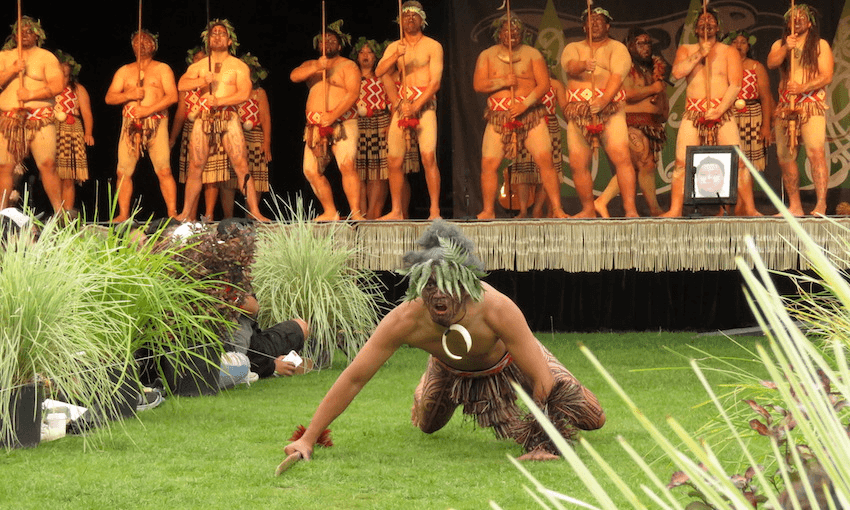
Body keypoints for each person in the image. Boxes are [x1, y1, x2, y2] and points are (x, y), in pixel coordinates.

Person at [283, 220, 605, 462]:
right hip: (450, 371)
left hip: (511, 363)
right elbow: (354, 377)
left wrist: (543, 443)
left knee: (593, 418)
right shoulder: (405, 320)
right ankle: (426, 384)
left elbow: (541, 378)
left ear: (466, 284)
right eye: (429, 285)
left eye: (447, 285)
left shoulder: (495, 308)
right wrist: (308, 438)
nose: (438, 294)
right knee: (428, 426)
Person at [663, 9, 757, 217]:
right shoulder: (686, 49)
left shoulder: (728, 51)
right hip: (694, 112)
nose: (706, 23)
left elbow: (735, 85)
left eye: (711, 20)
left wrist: (720, 109)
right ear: (696, 29)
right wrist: (700, 53)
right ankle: (675, 210)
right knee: (681, 161)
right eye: (702, 20)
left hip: (721, 111)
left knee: (738, 161)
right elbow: (677, 73)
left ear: (718, 27)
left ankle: (750, 208)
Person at [474, 15, 568, 220]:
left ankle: (557, 208)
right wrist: (502, 81)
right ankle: (488, 210)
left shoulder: (532, 54)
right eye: (507, 31)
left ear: (523, 34)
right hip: (499, 116)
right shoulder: (487, 55)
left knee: (545, 161)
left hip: (530, 114)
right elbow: (479, 85)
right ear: (499, 33)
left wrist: (524, 104)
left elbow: (544, 85)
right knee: (489, 164)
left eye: (516, 31)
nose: (512, 34)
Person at [175, 19, 269, 223]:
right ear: (208, 40)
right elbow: (182, 84)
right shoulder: (200, 66)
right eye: (213, 33)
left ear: (229, 41)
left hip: (229, 116)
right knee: (195, 166)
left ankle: (255, 212)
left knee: (241, 165)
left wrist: (218, 100)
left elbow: (244, 93)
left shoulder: (238, 66)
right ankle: (185, 213)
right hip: (204, 118)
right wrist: (202, 81)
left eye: (222, 33)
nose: (217, 36)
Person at [561, 7, 639, 218]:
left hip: (610, 109)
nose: (594, 24)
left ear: (608, 26)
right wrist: (583, 65)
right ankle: (588, 209)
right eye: (590, 20)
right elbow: (569, 67)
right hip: (579, 111)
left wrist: (604, 100)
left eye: (599, 20)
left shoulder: (617, 48)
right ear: (584, 26)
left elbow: (618, 75)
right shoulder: (573, 47)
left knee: (622, 157)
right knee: (578, 163)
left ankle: (630, 209)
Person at [375, 1, 443, 220]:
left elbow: (435, 83)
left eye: (415, 15)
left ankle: (434, 210)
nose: (410, 19)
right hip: (402, 106)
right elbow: (379, 71)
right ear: (400, 21)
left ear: (422, 20)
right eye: (406, 16)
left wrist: (416, 105)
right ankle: (396, 210)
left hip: (424, 106)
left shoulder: (433, 46)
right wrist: (396, 56)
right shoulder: (395, 46)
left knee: (428, 157)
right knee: (394, 161)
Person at [290, 20, 364, 221]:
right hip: (315, 126)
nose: (327, 43)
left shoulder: (348, 65)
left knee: (346, 165)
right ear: (318, 46)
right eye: (323, 40)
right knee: (310, 170)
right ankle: (330, 211)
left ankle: (356, 213)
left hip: (342, 122)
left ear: (340, 46)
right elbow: (294, 76)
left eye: (332, 40)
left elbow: (353, 94)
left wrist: (333, 115)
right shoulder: (311, 65)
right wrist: (317, 66)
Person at [104, 29, 179, 222]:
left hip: (156, 121)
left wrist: (148, 109)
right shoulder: (125, 70)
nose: (141, 43)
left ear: (154, 45)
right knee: (122, 171)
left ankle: (172, 213)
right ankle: (123, 214)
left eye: (145, 40)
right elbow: (110, 97)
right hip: (131, 123)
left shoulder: (163, 68)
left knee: (164, 169)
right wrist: (128, 95)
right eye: (137, 40)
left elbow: (172, 96)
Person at [767, 4, 834, 216]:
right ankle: (795, 206)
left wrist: (803, 87)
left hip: (810, 104)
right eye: (793, 18)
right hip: (786, 106)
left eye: (802, 17)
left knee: (816, 152)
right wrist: (787, 47)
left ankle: (821, 204)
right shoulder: (780, 44)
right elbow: (771, 63)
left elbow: (827, 76)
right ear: (787, 23)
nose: (797, 20)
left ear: (810, 22)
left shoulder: (820, 45)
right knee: (784, 156)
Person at [594, 27, 668, 218]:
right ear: (630, 45)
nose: (646, 47)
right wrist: (653, 88)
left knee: (646, 165)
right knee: (639, 163)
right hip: (630, 122)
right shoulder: (626, 65)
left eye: (648, 43)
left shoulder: (652, 67)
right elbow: (628, 94)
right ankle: (602, 201)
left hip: (649, 124)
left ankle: (653, 208)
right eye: (640, 43)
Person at [0, 17, 66, 214]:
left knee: (47, 165)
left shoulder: (46, 57)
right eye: (21, 31)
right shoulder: (4, 56)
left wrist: (31, 95)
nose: (25, 34)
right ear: (14, 35)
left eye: (29, 31)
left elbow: (57, 85)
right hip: (9, 120)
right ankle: (2, 214)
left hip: (39, 118)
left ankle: (59, 212)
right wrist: (12, 70)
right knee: (4, 167)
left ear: (38, 34)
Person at [169, 46, 222, 221]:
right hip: (190, 131)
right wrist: (173, 138)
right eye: (196, 59)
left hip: (210, 125)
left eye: (202, 59)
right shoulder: (187, 85)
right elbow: (180, 113)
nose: (198, 62)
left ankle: (209, 214)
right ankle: (190, 216)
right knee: (193, 173)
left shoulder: (214, 81)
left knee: (211, 174)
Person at [219, 52, 272, 219]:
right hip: (232, 134)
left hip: (255, 138)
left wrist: (267, 143)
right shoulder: (228, 92)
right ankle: (228, 218)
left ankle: (252, 217)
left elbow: (265, 118)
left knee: (254, 176)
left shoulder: (259, 93)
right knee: (228, 180)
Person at [352, 37, 391, 219]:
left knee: (377, 170)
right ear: (356, 56)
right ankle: (360, 213)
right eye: (362, 52)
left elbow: (391, 100)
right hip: (357, 124)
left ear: (376, 57)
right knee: (358, 171)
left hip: (379, 122)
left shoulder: (382, 76)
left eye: (369, 52)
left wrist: (391, 123)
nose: (366, 56)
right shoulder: (351, 77)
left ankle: (374, 214)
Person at [725, 31, 773, 176]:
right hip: (729, 115)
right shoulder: (723, 67)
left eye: (743, 42)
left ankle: (747, 198)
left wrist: (765, 126)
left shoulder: (756, 67)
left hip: (752, 117)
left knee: (749, 164)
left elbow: (765, 98)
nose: (738, 45)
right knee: (730, 159)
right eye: (735, 42)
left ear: (748, 46)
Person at [53, 51, 93, 213]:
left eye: (66, 75)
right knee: (53, 174)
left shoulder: (78, 90)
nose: (63, 78)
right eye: (59, 74)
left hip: (72, 131)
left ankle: (68, 210)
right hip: (53, 131)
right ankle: (57, 211)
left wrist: (88, 133)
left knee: (68, 175)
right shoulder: (48, 89)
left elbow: (87, 113)